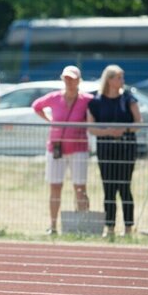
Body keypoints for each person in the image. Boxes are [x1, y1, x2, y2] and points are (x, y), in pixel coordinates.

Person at [32, 65, 93, 235]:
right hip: (56, 147)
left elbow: (94, 115)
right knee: (55, 186)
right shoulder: (54, 97)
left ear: (79, 80)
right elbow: (36, 106)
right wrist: (50, 119)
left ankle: (82, 224)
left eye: (72, 78)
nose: (69, 82)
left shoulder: (87, 99)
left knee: (80, 187)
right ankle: (52, 225)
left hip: (79, 147)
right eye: (66, 78)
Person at [87, 64, 142, 238]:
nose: (122, 81)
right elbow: (91, 127)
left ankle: (128, 228)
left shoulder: (128, 98)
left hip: (126, 148)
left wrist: (124, 130)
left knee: (125, 187)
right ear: (109, 80)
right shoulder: (95, 101)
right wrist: (108, 132)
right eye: (119, 77)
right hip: (105, 149)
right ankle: (109, 227)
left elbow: (138, 123)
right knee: (109, 188)